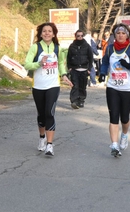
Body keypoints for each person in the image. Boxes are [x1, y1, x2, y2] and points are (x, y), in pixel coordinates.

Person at [24, 22, 72, 156]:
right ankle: (42, 138)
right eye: (44, 31)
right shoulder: (35, 47)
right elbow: (27, 64)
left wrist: (64, 76)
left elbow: (61, 64)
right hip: (38, 86)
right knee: (41, 114)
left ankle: (49, 145)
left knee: (50, 113)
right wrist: (39, 64)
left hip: (53, 85)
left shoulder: (57, 48)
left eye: (49, 31)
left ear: (54, 33)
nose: (47, 33)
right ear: (40, 34)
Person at [99, 23, 130, 157]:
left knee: (124, 118)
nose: (120, 35)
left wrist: (129, 65)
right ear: (114, 35)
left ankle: (124, 135)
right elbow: (105, 62)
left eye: (123, 33)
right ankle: (114, 145)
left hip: (127, 88)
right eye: (118, 33)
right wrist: (102, 72)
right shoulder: (110, 48)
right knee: (113, 117)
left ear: (127, 35)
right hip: (112, 87)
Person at [67, 30, 94, 109]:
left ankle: (81, 101)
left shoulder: (87, 46)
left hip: (84, 69)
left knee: (82, 86)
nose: (80, 37)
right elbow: (68, 57)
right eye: (78, 36)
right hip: (74, 69)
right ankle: (74, 101)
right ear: (75, 36)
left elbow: (90, 58)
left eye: (81, 36)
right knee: (75, 86)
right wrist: (70, 68)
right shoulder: (72, 46)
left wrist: (89, 69)